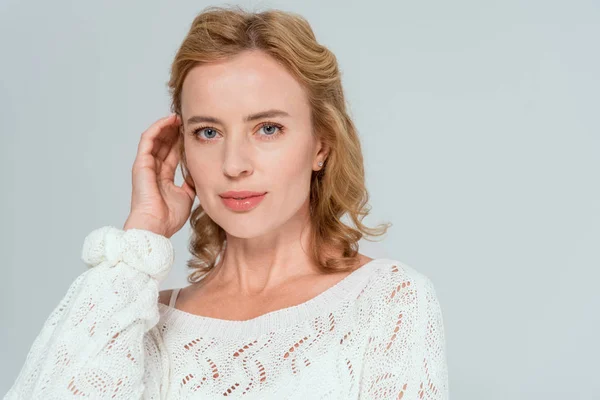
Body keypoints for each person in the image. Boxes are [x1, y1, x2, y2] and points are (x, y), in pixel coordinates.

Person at [5, 5, 449, 399]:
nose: (234, 164)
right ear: (182, 149)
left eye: (268, 128)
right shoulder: (139, 317)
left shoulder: (387, 301)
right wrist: (141, 236)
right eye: (208, 132)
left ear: (322, 145)